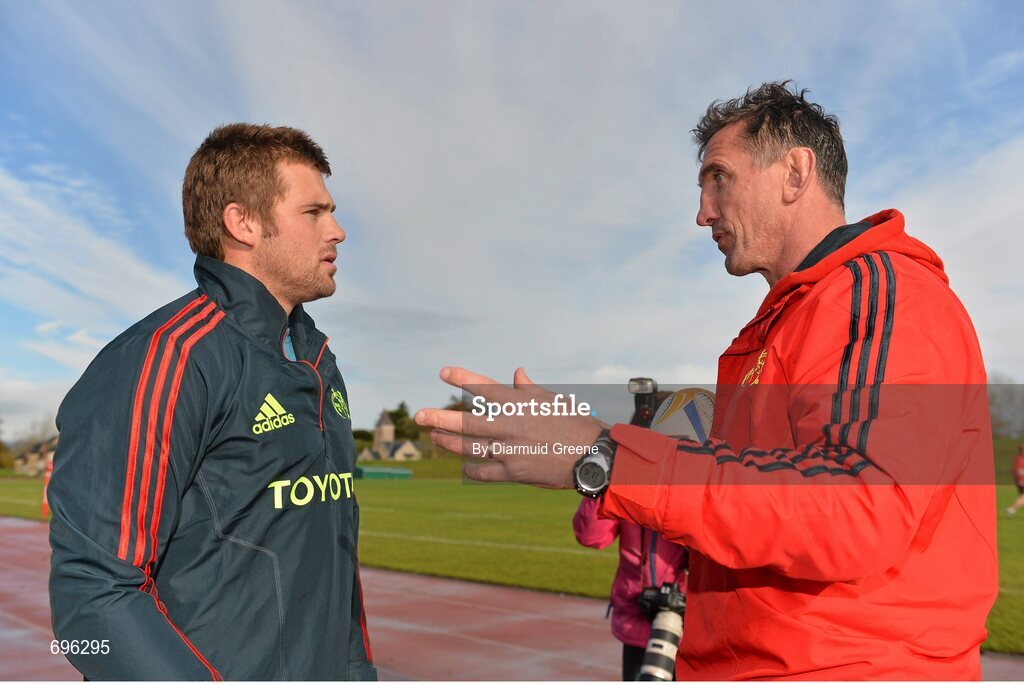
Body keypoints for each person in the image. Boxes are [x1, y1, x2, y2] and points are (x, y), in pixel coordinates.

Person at [415, 81, 997, 679]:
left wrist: (603, 456)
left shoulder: (876, 295)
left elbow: (856, 504)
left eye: (719, 178)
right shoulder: (779, 327)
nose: (702, 212)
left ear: (795, 174)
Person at [49, 124, 376, 680]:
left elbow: (332, 567)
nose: (338, 231)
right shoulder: (165, 357)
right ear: (242, 222)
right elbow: (93, 599)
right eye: (313, 212)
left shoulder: (319, 359)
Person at [574, 499, 687, 680]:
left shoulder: (689, 481)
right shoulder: (628, 479)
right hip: (636, 617)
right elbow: (592, 536)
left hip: (687, 623)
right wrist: (597, 485)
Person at [1007, 444, 1024, 517]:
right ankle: (1011, 509)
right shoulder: (1019, 459)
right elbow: (1018, 471)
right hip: (1022, 481)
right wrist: (1020, 480)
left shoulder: (1021, 458)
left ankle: (1012, 509)